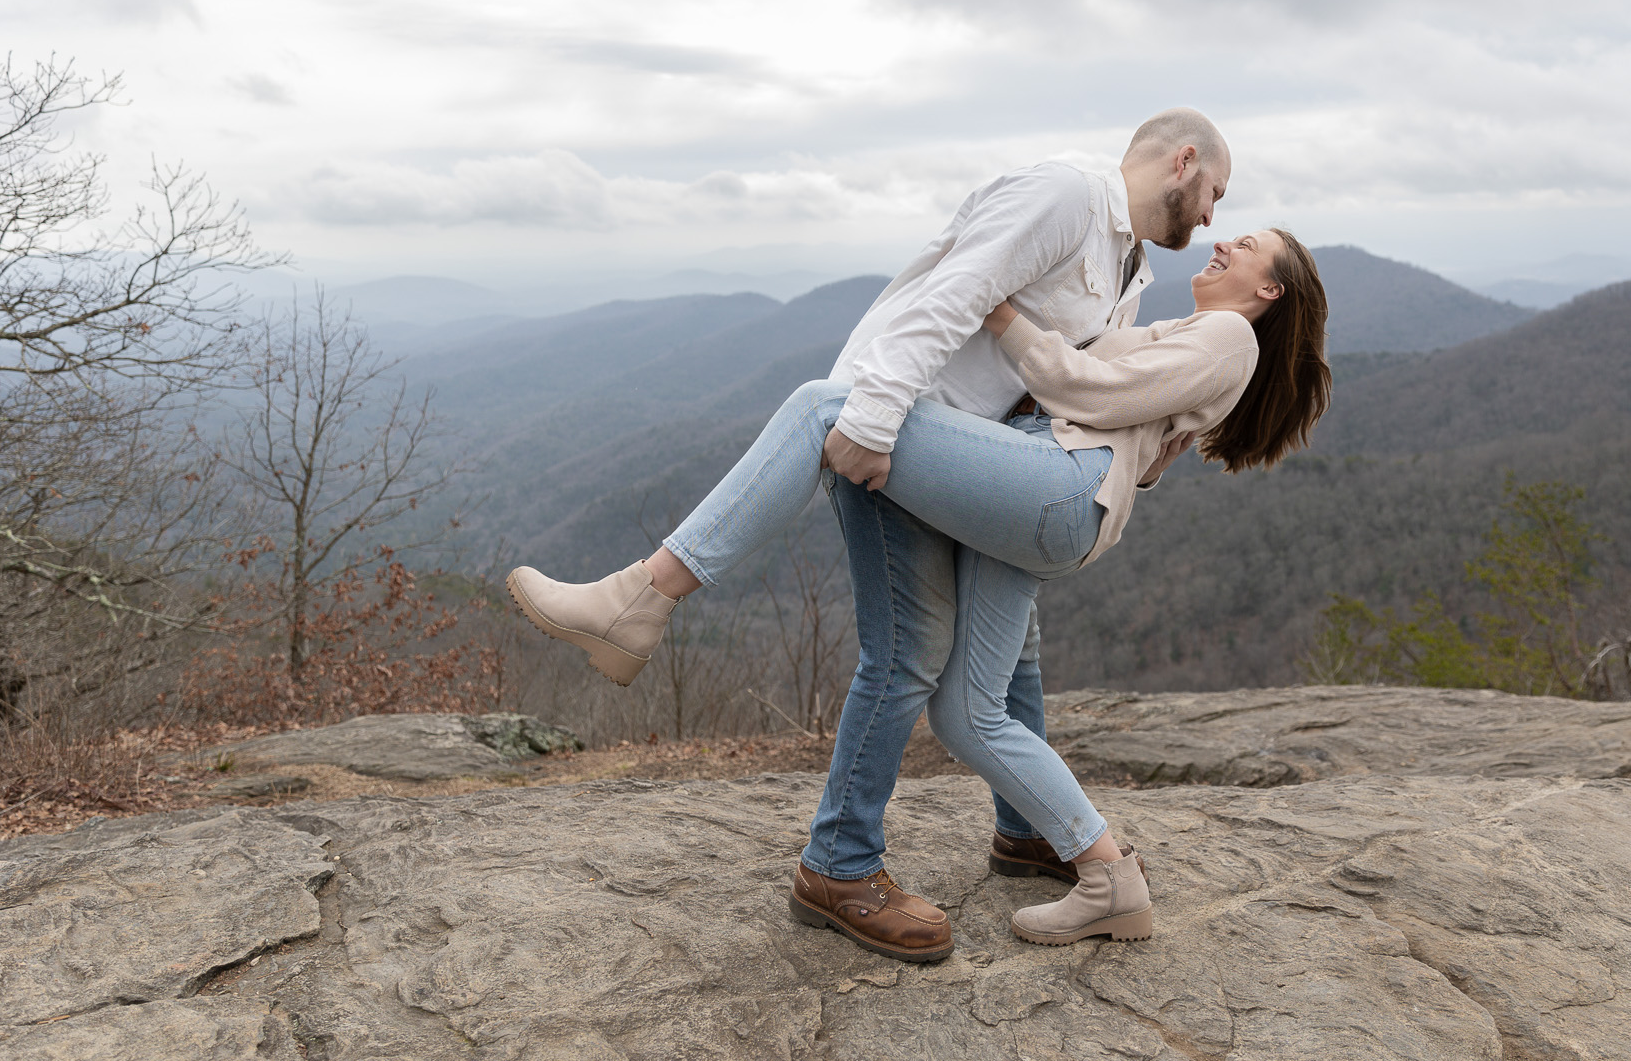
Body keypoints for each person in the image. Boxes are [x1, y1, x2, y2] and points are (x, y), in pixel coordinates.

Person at [516, 108, 1229, 962]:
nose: (1214, 217)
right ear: (1182, 160)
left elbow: (1065, 385)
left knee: (1013, 645)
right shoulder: (1070, 196)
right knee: (908, 657)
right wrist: (878, 413)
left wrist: (1152, 439)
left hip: (963, 458)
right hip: (900, 428)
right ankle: (839, 865)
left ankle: (1028, 827)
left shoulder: (1130, 268)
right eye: (1215, 192)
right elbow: (956, 290)